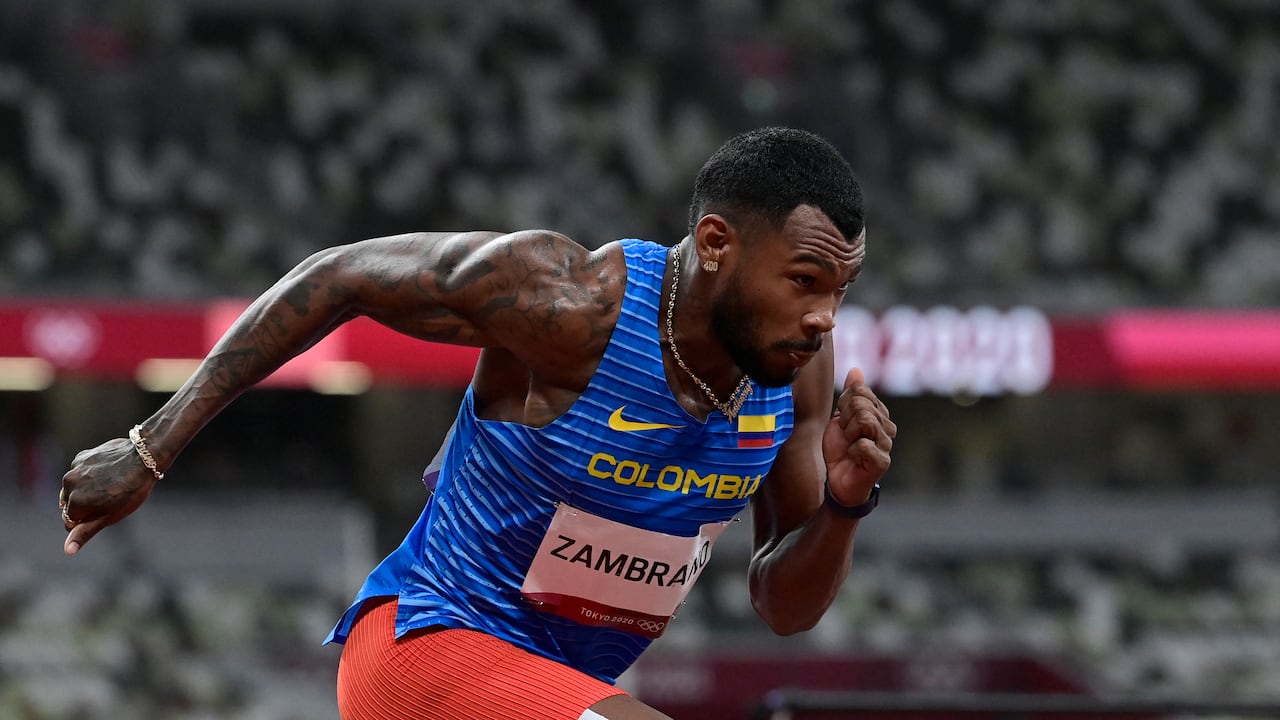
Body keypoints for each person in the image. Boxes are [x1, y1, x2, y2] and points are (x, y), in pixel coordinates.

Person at [59, 126, 896, 720]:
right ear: (716, 242)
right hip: (426, 646)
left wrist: (846, 507)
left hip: (549, 690)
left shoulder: (793, 372)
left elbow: (783, 607)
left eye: (840, 292)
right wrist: (149, 445)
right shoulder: (573, 306)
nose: (824, 317)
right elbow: (340, 275)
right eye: (804, 280)